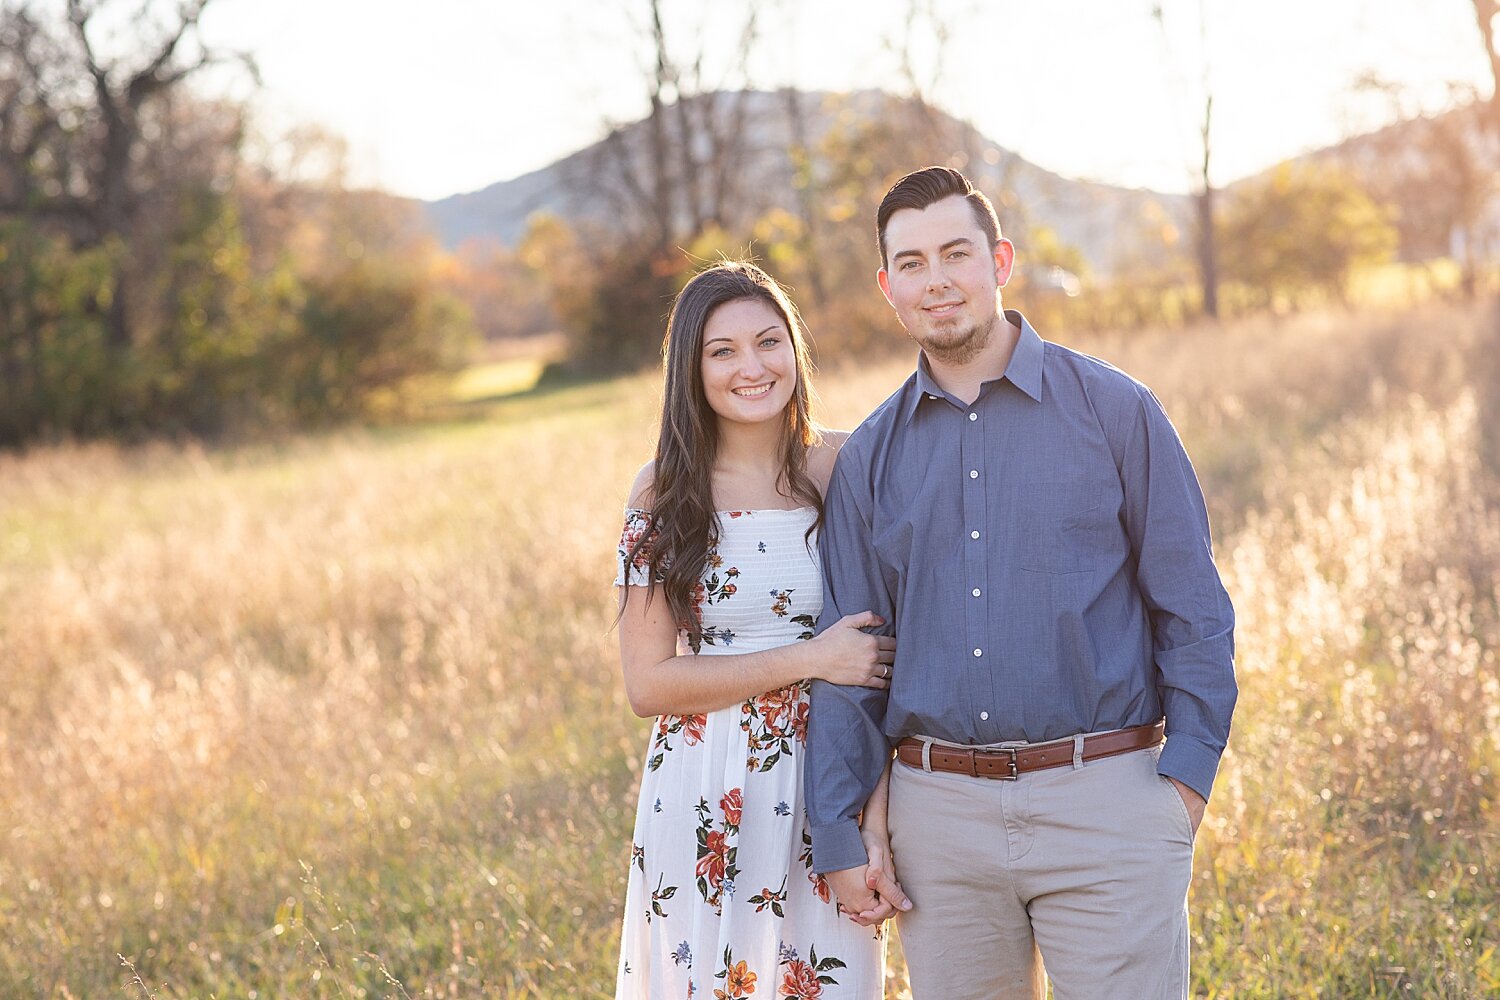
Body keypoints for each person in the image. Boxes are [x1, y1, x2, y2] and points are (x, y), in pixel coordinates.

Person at [805, 166, 1237, 999]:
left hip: (1107, 803)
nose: (938, 281)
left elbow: (1193, 610)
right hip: (940, 826)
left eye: (956, 254)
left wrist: (1182, 784)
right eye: (914, 263)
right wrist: (841, 829)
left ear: (1000, 261)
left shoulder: (1116, 411)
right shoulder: (869, 457)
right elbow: (853, 660)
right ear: (887, 286)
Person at [613, 260, 906, 1000]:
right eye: (723, 351)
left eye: (769, 341)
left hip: (827, 775)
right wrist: (813, 656)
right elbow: (649, 684)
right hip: (708, 785)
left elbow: (892, 662)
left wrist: (875, 819)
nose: (753, 367)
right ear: (693, 368)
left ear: (795, 352)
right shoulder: (662, 490)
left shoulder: (845, 466)